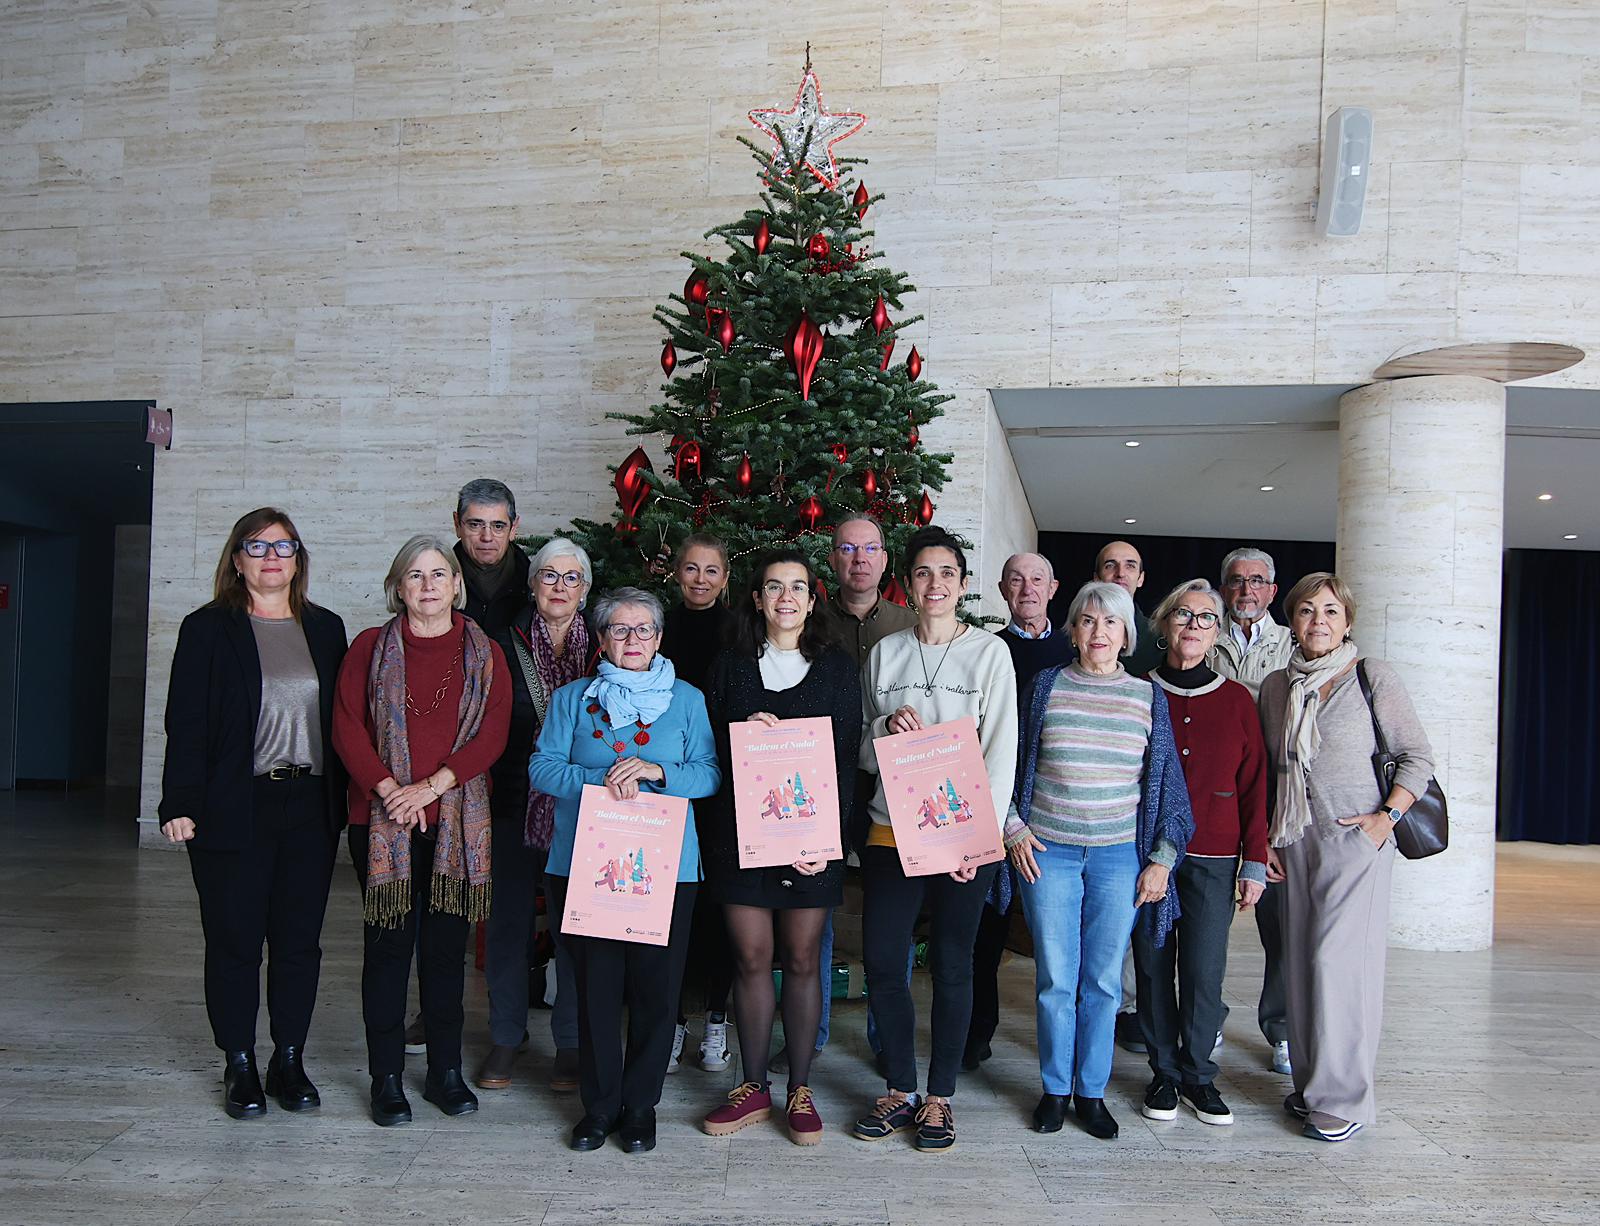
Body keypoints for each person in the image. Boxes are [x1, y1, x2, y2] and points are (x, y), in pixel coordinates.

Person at [158, 508, 349, 1119]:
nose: (272, 558)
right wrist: (180, 802)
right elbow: (184, 723)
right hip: (230, 806)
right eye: (257, 547)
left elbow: (344, 722)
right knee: (235, 940)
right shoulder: (206, 628)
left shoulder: (325, 628)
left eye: (284, 547)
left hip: (309, 804)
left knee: (298, 944)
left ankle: (288, 1059)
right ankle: (238, 1060)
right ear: (236, 560)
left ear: (299, 559)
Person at [528, 587, 721, 1154]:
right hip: (585, 865)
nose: (632, 640)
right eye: (619, 630)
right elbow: (542, 768)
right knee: (595, 988)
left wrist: (658, 771)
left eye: (644, 630)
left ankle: (640, 1106)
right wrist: (602, 781)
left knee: (656, 991)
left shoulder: (686, 700)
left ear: (659, 638)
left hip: (667, 869)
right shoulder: (571, 699)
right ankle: (599, 1105)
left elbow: (709, 774)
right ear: (602, 638)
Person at [1005, 580, 1194, 1142]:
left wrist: (1161, 858)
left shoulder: (1146, 697)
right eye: (1087, 621)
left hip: (1117, 857)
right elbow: (1010, 763)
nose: (1098, 632)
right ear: (1073, 630)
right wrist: (1013, 826)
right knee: (1056, 979)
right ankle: (1055, 1090)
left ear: (1127, 634)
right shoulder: (1045, 686)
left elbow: (1167, 790)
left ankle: (1091, 1092)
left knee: (1104, 982)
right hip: (1049, 852)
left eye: (1110, 623)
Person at [332, 535, 511, 1127]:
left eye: (440, 574)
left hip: (455, 824)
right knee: (387, 952)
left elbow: (493, 733)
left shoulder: (485, 651)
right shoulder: (367, 648)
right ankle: (386, 1076)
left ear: (457, 584)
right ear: (398, 587)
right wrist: (390, 791)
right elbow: (346, 729)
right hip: (382, 822)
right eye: (416, 575)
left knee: (442, 957)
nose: (429, 585)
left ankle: (444, 1072)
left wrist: (430, 788)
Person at [850, 526, 1018, 1154]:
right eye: (923, 572)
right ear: (908, 582)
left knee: (953, 965)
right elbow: (864, 752)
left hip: (961, 837)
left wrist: (978, 841)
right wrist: (884, 729)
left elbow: (1002, 752)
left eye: (947, 573)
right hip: (890, 831)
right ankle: (899, 1086)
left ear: (963, 584)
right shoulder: (885, 653)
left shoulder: (988, 655)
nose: (935, 584)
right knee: (887, 964)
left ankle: (940, 1096)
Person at [1259, 573, 1433, 1142]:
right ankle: (1312, 1087)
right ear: (1292, 620)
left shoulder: (1371, 676)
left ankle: (1347, 1097)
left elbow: (1417, 757)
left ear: (1348, 621)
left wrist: (1387, 818)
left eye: (1331, 611)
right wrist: (1264, 837)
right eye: (1307, 611)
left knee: (1340, 965)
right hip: (1294, 839)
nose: (1319, 622)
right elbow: (1269, 768)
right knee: (1304, 964)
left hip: (1355, 840)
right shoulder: (1277, 688)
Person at [699, 550, 861, 1145]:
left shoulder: (838, 669)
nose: (786, 598)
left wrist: (828, 841)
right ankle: (751, 1087)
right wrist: (746, 734)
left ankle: (798, 1087)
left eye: (797, 588)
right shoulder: (729, 666)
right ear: (758, 599)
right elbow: (712, 750)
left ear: (813, 600)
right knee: (748, 959)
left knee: (800, 961)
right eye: (774, 587)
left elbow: (845, 763)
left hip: (809, 848)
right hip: (739, 838)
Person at [774, 515, 918, 1078]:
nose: (859, 558)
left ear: (885, 559)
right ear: (830, 559)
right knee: (815, 911)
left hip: (891, 790)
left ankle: (889, 1036)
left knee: (891, 916)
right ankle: (811, 1035)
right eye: (846, 548)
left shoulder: (912, 625)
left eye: (870, 549)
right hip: (818, 784)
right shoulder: (806, 619)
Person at [1133, 579, 1268, 1128]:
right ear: (1164, 626)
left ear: (1217, 632)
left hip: (1214, 854)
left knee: (1204, 970)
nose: (1192, 625)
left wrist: (1254, 861)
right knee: (1152, 964)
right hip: (1147, 856)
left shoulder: (1237, 700)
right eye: (1182, 615)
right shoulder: (1138, 690)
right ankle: (1162, 1072)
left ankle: (1197, 1074)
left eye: (1205, 618)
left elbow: (1257, 782)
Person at [477, 539, 591, 1094]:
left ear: (586, 590)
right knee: (508, 924)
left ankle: (569, 1042)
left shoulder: (606, 646)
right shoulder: (500, 642)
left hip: (586, 807)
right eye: (550, 575)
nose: (560, 587)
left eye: (572, 579)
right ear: (533, 583)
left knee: (577, 926)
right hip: (512, 799)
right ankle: (505, 1033)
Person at [965, 552, 1073, 1072]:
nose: (1027, 588)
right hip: (993, 811)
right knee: (985, 934)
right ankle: (975, 1033)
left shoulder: (1076, 650)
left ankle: (1063, 1049)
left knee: (1056, 943)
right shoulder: (988, 651)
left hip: (1054, 819)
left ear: (1053, 588)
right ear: (1002, 589)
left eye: (1037, 579)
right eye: (1016, 580)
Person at [1209, 546, 1297, 1076]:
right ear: (1224, 589)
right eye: (1236, 581)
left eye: (1257, 581)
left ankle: (1283, 1029)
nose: (1246, 590)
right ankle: (1205, 1019)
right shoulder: (1201, 635)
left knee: (1280, 924)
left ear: (1271, 589)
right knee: (1207, 923)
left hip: (1279, 800)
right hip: (1218, 802)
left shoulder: (1296, 643)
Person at [658, 532, 736, 1074]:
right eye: (691, 569)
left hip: (726, 785)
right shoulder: (657, 628)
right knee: (670, 906)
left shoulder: (741, 631)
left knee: (718, 908)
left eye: (711, 571)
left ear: (726, 579)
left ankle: (715, 1019)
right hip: (669, 784)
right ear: (677, 573)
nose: (701, 580)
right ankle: (671, 1022)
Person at [453, 478, 529, 638]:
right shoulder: (434, 584)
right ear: (457, 525)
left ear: (513, 528)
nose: (487, 537)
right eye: (475, 525)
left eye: (498, 526)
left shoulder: (536, 584)